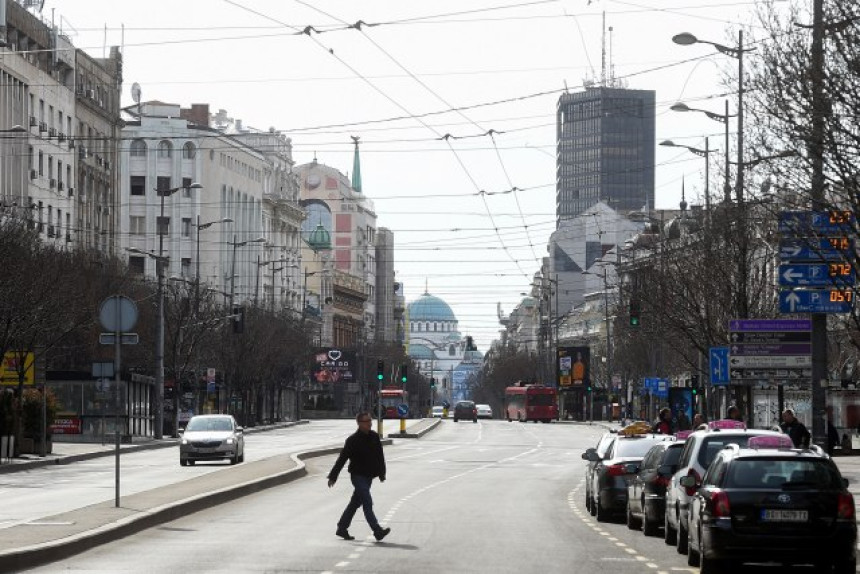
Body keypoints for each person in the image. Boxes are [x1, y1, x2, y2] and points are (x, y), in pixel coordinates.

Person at [327, 412, 391, 542]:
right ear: (359, 424)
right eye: (367, 421)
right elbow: (342, 458)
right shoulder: (352, 440)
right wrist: (333, 476)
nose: (370, 423)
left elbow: (380, 456)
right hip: (357, 476)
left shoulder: (374, 436)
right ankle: (377, 531)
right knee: (367, 502)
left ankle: (342, 528)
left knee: (355, 503)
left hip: (369, 477)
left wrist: (381, 473)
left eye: (370, 421)